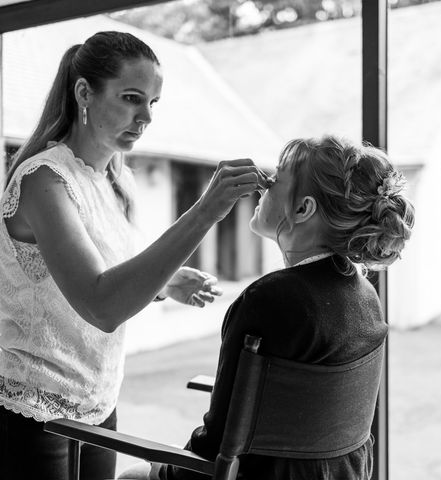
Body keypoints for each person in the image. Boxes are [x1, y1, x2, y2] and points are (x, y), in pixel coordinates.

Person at [0, 31, 268, 480]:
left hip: (99, 402)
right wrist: (203, 213)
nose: (145, 117)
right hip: (34, 411)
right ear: (84, 92)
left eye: (153, 103)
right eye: (131, 98)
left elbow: (100, 273)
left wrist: (164, 283)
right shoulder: (43, 179)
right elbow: (101, 305)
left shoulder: (113, 182)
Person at [122, 134, 415, 480]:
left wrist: (161, 470)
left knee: (132, 475)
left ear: (303, 209)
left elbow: (214, 450)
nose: (263, 187)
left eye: (275, 179)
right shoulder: (366, 297)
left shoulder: (268, 301)